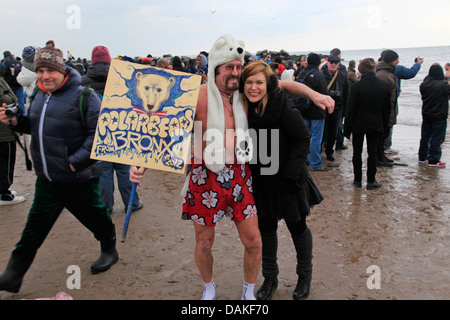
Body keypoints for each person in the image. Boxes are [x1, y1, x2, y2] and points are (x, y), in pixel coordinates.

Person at [130, 34, 334, 300]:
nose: (236, 72)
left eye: (239, 67)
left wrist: (314, 93)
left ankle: (250, 290)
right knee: (204, 243)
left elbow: (283, 86)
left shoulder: (245, 92)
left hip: (241, 176)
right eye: (230, 67)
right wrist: (140, 163)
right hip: (205, 176)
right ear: (216, 66)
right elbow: (163, 126)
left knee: (255, 240)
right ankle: (209, 288)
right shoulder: (196, 95)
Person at [0, 45, 118, 294]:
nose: (44, 76)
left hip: (79, 180)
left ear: (62, 70)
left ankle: (109, 248)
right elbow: (36, 126)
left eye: (50, 70)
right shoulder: (40, 95)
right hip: (48, 181)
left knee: (96, 218)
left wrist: (75, 162)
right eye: (40, 70)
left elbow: (98, 136)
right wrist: (16, 121)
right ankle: (12, 275)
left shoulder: (84, 96)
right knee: (33, 229)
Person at [241, 61, 323, 300]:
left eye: (259, 82)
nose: (254, 87)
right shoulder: (242, 106)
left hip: (288, 178)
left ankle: (304, 277)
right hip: (259, 179)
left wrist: (289, 173)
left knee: (297, 227)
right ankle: (270, 278)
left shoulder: (282, 105)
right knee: (266, 229)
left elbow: (302, 139)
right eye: (249, 82)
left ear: (268, 84)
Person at [82, 45, 143, 215]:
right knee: (124, 171)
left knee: (104, 172)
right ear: (109, 60)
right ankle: (132, 204)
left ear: (92, 61)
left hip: (97, 133)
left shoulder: (83, 83)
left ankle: (106, 207)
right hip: (121, 131)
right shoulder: (120, 79)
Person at [344, 58, 391, 190]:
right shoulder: (383, 86)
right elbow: (387, 110)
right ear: (374, 69)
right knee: (373, 153)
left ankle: (357, 180)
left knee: (357, 153)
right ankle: (371, 180)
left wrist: (346, 129)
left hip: (358, 124)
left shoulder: (356, 87)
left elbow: (350, 110)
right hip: (376, 123)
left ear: (360, 70)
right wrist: (386, 126)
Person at [384, 56, 424, 154]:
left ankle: (382, 146)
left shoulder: (378, 69)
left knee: (383, 122)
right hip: (391, 100)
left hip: (380, 99)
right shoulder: (396, 68)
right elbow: (411, 73)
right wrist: (418, 64)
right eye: (396, 60)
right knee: (390, 122)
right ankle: (386, 146)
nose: (398, 61)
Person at [298, 53, 329, 171]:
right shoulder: (318, 75)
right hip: (316, 111)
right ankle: (315, 163)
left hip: (303, 109)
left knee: (306, 136)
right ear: (318, 63)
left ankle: (305, 159)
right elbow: (324, 93)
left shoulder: (302, 72)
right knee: (316, 138)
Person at [0, 64, 25, 205]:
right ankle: (5, 194)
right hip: (4, 131)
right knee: (6, 161)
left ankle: (3, 189)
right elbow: (8, 99)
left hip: (5, 129)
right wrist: (9, 97)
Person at [418, 64, 450, 167]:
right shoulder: (443, 85)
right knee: (437, 138)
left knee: (425, 137)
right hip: (439, 115)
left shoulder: (424, 85)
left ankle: (422, 157)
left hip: (427, 114)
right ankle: (433, 160)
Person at [322, 55, 348, 161]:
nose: (333, 64)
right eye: (331, 62)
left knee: (334, 131)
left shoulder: (342, 75)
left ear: (338, 64)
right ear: (327, 63)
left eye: (336, 63)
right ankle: (318, 150)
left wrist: (345, 109)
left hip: (337, 107)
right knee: (321, 130)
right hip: (322, 107)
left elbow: (346, 92)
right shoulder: (321, 75)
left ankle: (329, 152)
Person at [376, 49, 399, 167]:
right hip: (383, 112)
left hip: (388, 109)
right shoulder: (383, 75)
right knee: (381, 135)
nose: (398, 62)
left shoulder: (388, 72)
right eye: (396, 59)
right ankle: (378, 158)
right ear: (391, 61)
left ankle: (381, 156)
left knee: (384, 134)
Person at [2, 51, 25, 115]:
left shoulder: (5, 63)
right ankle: (23, 116)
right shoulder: (18, 63)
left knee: (11, 103)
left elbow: (2, 72)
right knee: (21, 102)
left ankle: (11, 116)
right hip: (19, 85)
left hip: (9, 86)